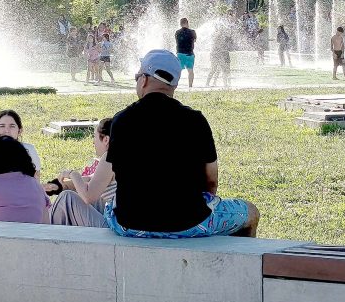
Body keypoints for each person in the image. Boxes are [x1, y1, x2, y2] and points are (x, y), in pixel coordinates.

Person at [104, 49, 258, 238]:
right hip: (187, 222)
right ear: (173, 86)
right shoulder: (195, 120)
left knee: (109, 204)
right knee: (250, 212)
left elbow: (119, 174)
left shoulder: (121, 121)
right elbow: (211, 180)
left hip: (129, 223)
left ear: (144, 79)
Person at [50, 118, 118, 226]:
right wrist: (54, 186)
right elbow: (90, 179)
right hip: (123, 222)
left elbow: (87, 196)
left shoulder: (110, 158)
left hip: (116, 228)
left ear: (106, 140)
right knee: (75, 194)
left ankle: (45, 234)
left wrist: (73, 174)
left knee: (67, 199)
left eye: (94, 137)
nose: (93, 142)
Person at [0, 109, 41, 178]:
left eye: (12, 126)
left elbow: (36, 181)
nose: (7, 131)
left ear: (20, 131)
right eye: (2, 126)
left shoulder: (29, 150)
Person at [175, 18, 197, 87]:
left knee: (178, 70)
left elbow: (177, 41)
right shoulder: (192, 32)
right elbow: (195, 40)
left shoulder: (177, 32)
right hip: (190, 54)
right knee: (190, 71)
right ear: (187, 23)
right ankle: (190, 86)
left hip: (180, 54)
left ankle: (175, 84)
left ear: (180, 24)